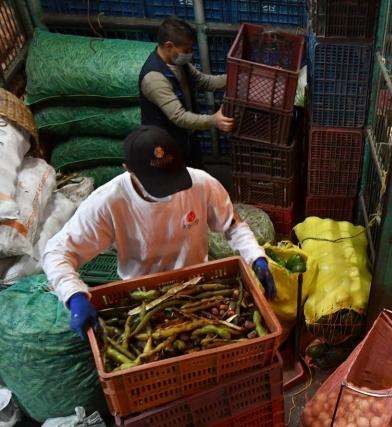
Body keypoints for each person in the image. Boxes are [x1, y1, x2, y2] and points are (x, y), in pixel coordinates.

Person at [42, 126, 275, 340]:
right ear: (128, 170)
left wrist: (256, 256)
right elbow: (57, 251)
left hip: (198, 290)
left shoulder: (201, 183)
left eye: (172, 177)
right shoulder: (108, 202)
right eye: (158, 183)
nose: (169, 191)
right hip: (144, 299)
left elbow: (232, 224)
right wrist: (74, 295)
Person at [139, 16, 234, 170]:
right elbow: (179, 117)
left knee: (194, 177)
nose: (190, 54)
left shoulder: (179, 64)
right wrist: (214, 120)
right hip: (164, 145)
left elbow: (205, 81)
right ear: (169, 46)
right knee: (176, 186)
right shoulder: (154, 78)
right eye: (186, 50)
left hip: (186, 138)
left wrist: (237, 78)